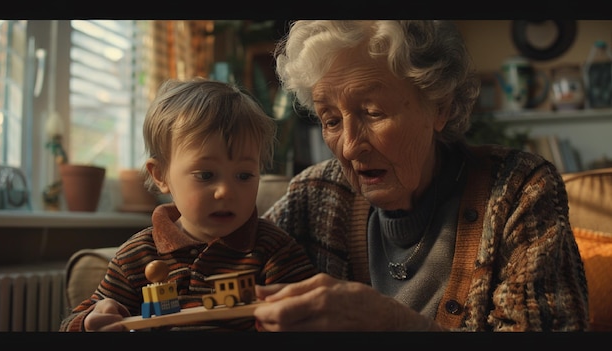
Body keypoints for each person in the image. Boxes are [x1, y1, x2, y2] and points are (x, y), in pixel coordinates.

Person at [252, 20, 589, 331]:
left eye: (372, 112)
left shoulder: (517, 190)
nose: (350, 147)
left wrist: (391, 323)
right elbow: (220, 270)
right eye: (331, 121)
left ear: (439, 106)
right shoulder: (314, 195)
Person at [59, 77, 317, 332]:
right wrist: (92, 321)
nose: (226, 191)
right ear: (160, 175)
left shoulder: (273, 250)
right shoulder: (137, 256)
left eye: (244, 176)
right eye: (206, 175)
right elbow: (74, 322)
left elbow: (313, 316)